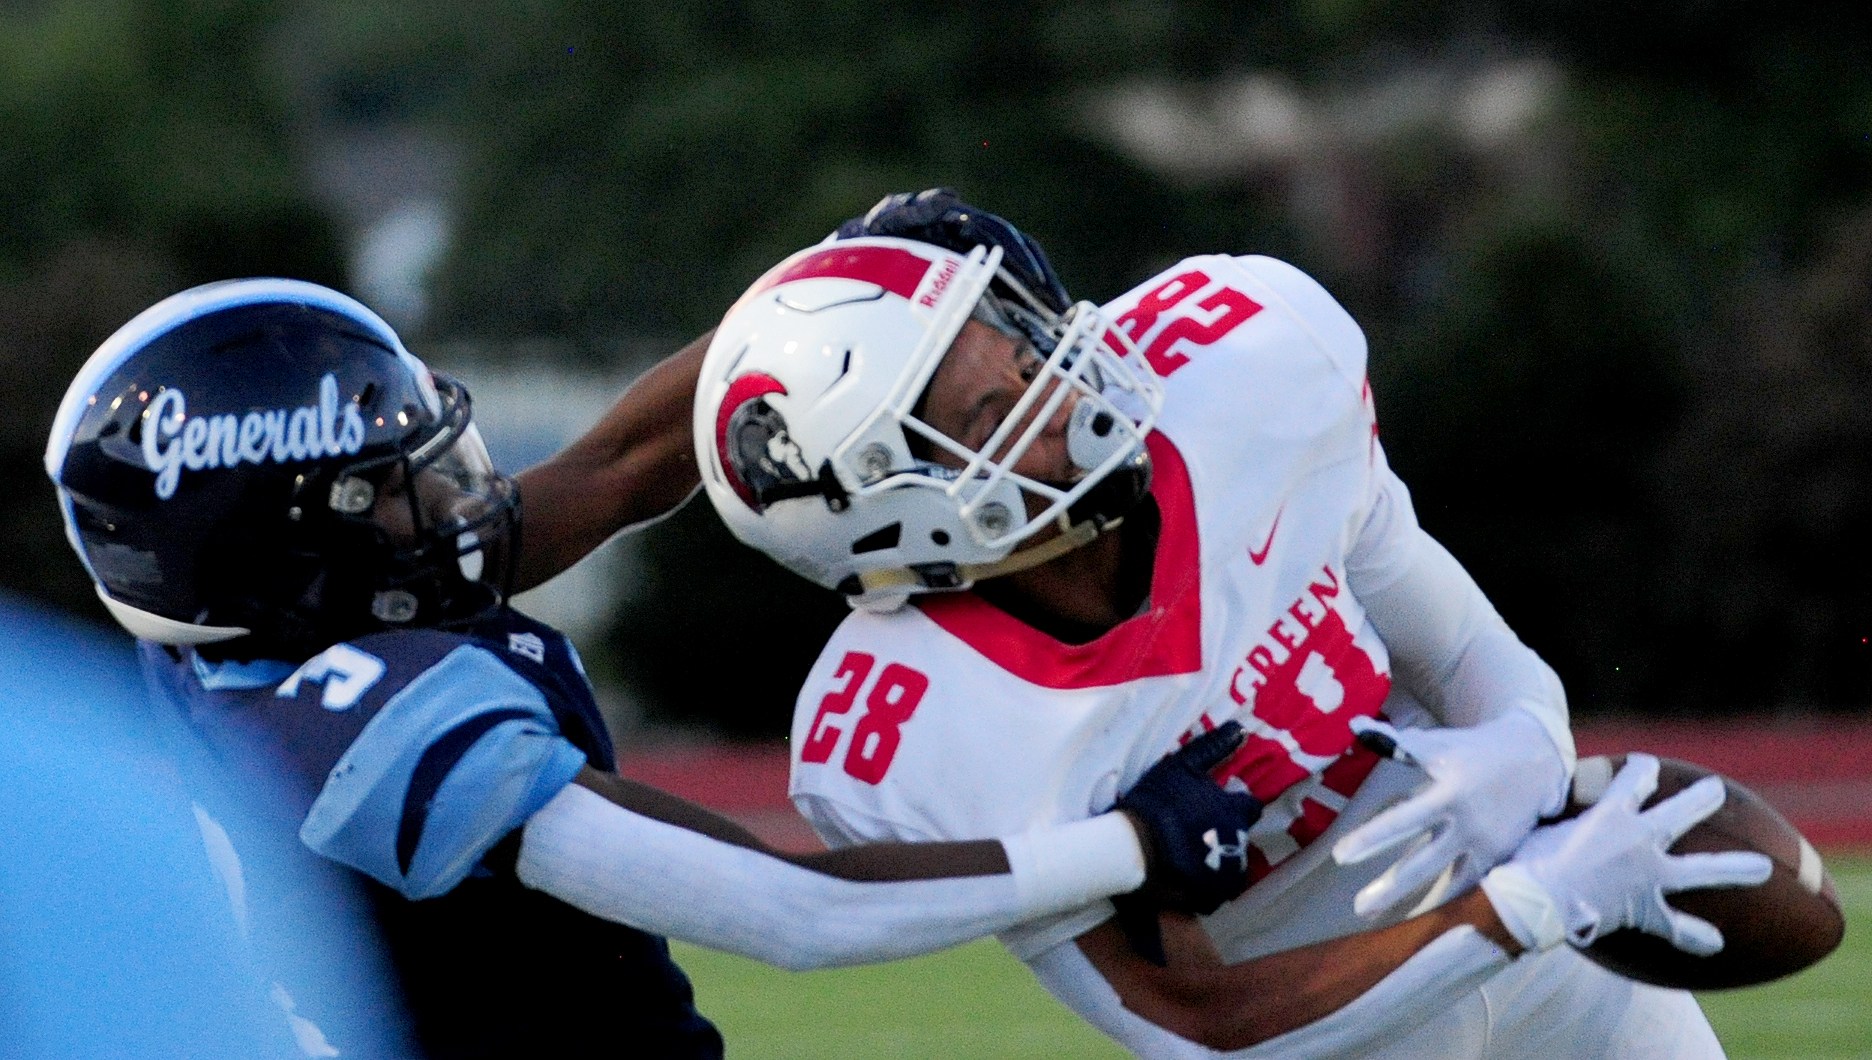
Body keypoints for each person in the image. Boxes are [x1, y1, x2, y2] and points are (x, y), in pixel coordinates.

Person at [42, 278, 1270, 1057]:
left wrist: (828, 293)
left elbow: (621, 466)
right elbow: (799, 909)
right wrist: (1136, 842)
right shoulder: (381, 730)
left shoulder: (242, 635)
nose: (453, 502)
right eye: (392, 490)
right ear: (292, 545)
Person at [671, 190, 1771, 1058]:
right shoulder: (920, 733)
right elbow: (1201, 1024)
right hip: (1326, 1016)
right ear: (891, 509)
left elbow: (1445, 625)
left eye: (1021, 344)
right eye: (995, 412)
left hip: (1535, 935)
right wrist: (1514, 908)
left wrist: (1525, 740)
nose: (1059, 387)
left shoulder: (1240, 370)